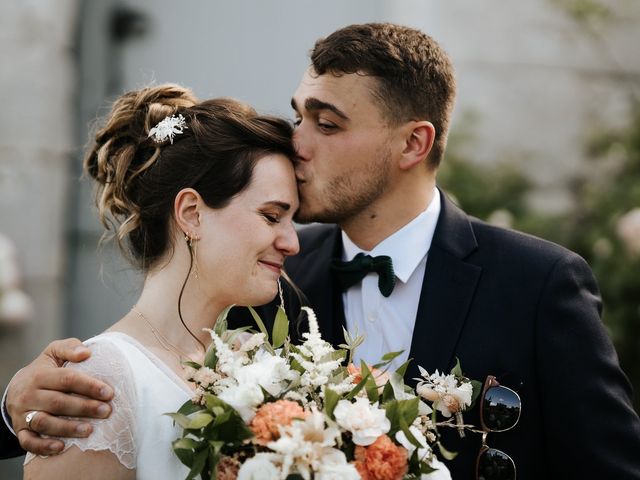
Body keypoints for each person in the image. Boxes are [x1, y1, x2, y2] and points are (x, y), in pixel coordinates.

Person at [3, 22, 640, 479]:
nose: (296, 141)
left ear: (412, 145)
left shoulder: (537, 283)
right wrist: (14, 410)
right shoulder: (264, 279)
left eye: (326, 124)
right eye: (299, 114)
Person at [14, 84, 300, 479]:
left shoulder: (257, 361)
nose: (293, 243)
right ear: (192, 213)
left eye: (292, 221)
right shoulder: (101, 381)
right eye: (271, 216)